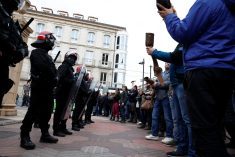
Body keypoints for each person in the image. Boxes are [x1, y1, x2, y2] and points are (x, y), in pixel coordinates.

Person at [157, 1, 235, 157]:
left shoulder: (208, 2)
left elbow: (182, 33)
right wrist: (174, 16)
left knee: (204, 130)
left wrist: (170, 17)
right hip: (226, 70)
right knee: (214, 126)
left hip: (203, 69)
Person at [146, 44, 196, 156]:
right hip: (175, 86)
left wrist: (155, 52)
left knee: (186, 119)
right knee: (178, 119)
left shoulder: (186, 42)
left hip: (182, 84)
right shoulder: (181, 43)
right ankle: (182, 147)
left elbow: (174, 57)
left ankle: (192, 152)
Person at [20, 31, 58, 150]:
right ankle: (24, 136)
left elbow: (53, 71)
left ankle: (45, 134)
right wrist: (53, 74)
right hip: (39, 87)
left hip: (48, 88)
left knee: (47, 111)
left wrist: (55, 76)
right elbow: (45, 68)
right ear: (46, 41)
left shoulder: (48, 56)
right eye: (51, 41)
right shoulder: (36, 53)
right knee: (33, 111)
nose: (52, 44)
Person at [0, 0, 29, 107]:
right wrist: (9, 46)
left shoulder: (11, 22)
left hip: (3, 64)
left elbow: (22, 45)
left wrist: (20, 52)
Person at [145, 63, 173, 144]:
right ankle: (154, 134)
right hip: (157, 97)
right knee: (154, 116)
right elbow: (156, 84)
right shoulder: (161, 73)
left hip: (166, 97)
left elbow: (168, 84)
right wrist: (152, 83)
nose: (167, 64)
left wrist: (157, 84)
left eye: (168, 62)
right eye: (166, 63)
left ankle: (169, 136)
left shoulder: (171, 73)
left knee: (167, 117)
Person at [53, 50, 78, 137]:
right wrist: (71, 81)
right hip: (62, 93)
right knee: (59, 111)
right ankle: (56, 129)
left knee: (66, 112)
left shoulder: (70, 69)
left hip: (68, 93)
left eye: (74, 59)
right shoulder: (63, 66)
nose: (72, 60)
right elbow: (59, 79)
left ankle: (62, 127)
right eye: (71, 58)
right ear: (67, 57)